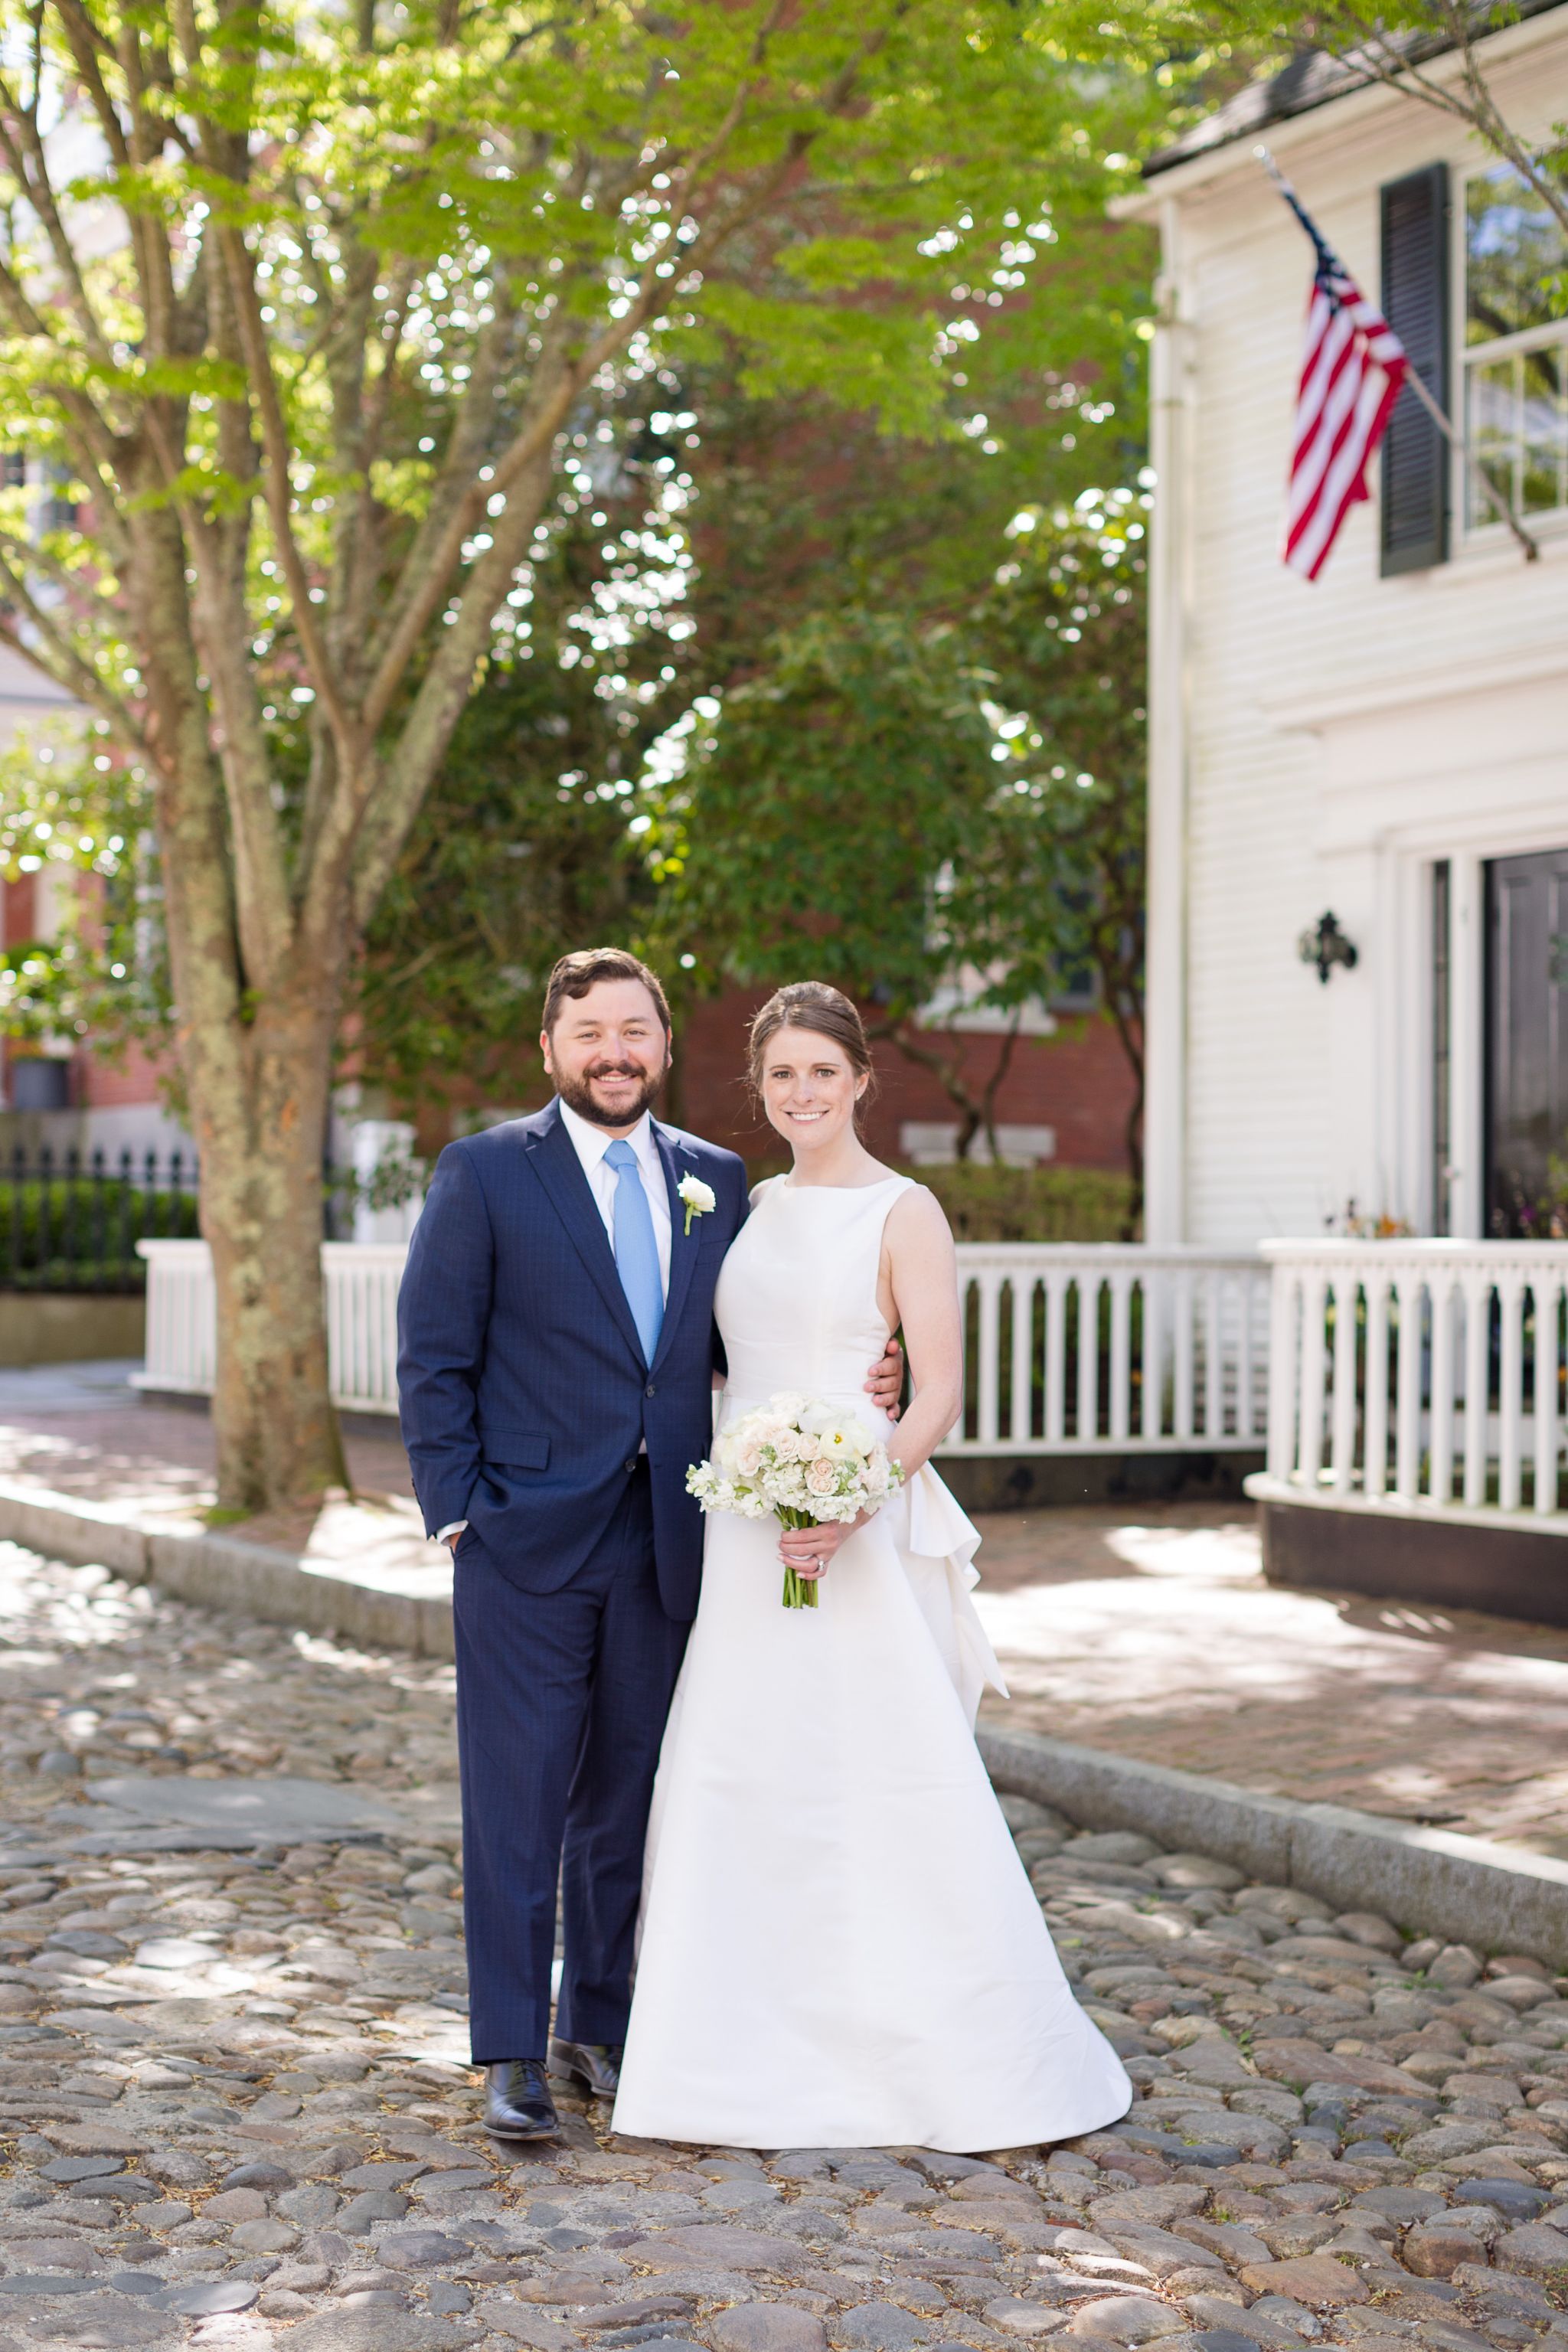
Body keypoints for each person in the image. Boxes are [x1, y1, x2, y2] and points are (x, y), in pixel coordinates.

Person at [613, 981, 1132, 2151]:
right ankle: (725, 2051)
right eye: (781, 1075)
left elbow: (936, 1390)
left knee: (873, 1769)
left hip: (849, 1523)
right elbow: (713, 1365)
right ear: (761, 1090)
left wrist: (848, 1505)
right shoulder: (740, 1208)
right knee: (739, 1765)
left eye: (822, 1072)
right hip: (749, 1530)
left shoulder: (907, 1212)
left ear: (859, 1082)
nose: (802, 1093)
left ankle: (919, 2041)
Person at [396, 950, 905, 2141]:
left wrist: (883, 1370)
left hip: (675, 1542)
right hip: (522, 1541)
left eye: (636, 1031)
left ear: (665, 1047)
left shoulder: (716, 1179)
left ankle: (601, 2026)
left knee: (626, 1800)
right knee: (517, 1804)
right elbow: (433, 1355)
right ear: (552, 1050)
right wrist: (460, 1509)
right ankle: (513, 2052)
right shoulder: (484, 1174)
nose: (614, 1052)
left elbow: (750, 1331)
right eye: (591, 1034)